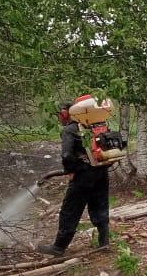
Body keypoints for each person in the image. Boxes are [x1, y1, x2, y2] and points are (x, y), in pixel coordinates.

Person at [36, 101, 111, 256]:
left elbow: (67, 155)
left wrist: (71, 170)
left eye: (59, 115)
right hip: (101, 171)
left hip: (83, 176)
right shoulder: (94, 125)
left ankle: (58, 247)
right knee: (99, 206)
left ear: (65, 113)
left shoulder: (70, 130)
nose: (59, 119)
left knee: (70, 210)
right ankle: (104, 243)